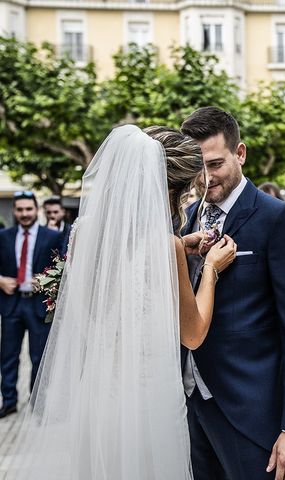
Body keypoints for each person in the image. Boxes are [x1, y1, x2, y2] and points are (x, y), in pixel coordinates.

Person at [5, 125, 238, 478]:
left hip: (97, 393)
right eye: (190, 189)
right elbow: (192, 334)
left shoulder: (83, 232)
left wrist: (177, 249)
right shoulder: (166, 246)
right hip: (147, 397)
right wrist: (211, 270)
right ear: (172, 188)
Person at [181, 107, 285, 479]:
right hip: (188, 408)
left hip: (252, 414)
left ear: (240, 153)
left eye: (215, 164)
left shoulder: (279, 219)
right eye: (198, 168)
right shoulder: (184, 220)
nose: (205, 178)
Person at [0, 191, 63, 418]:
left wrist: (44, 280)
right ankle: (8, 402)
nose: (24, 214)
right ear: (15, 211)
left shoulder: (53, 236)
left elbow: (62, 267)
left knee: (39, 357)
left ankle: (38, 404)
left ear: (36, 210)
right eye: (20, 210)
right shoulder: (4, 236)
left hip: (38, 305)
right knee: (8, 356)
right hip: (11, 305)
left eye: (29, 209)